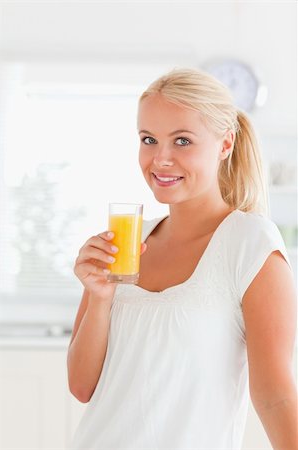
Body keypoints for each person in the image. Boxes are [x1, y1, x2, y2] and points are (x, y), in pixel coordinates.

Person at [67, 68, 297, 450]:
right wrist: (99, 297)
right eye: (149, 139)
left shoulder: (250, 244)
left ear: (226, 144)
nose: (161, 159)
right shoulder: (126, 242)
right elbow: (82, 386)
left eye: (183, 141)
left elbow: (276, 396)